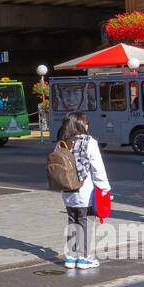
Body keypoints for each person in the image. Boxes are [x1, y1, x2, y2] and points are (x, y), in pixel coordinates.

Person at [55, 111, 110, 270]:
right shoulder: (89, 142)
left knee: (72, 222)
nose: (88, 125)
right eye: (86, 122)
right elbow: (98, 168)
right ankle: (84, 258)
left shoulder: (61, 143)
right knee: (84, 223)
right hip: (84, 190)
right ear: (80, 124)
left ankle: (71, 257)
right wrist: (105, 188)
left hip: (66, 190)